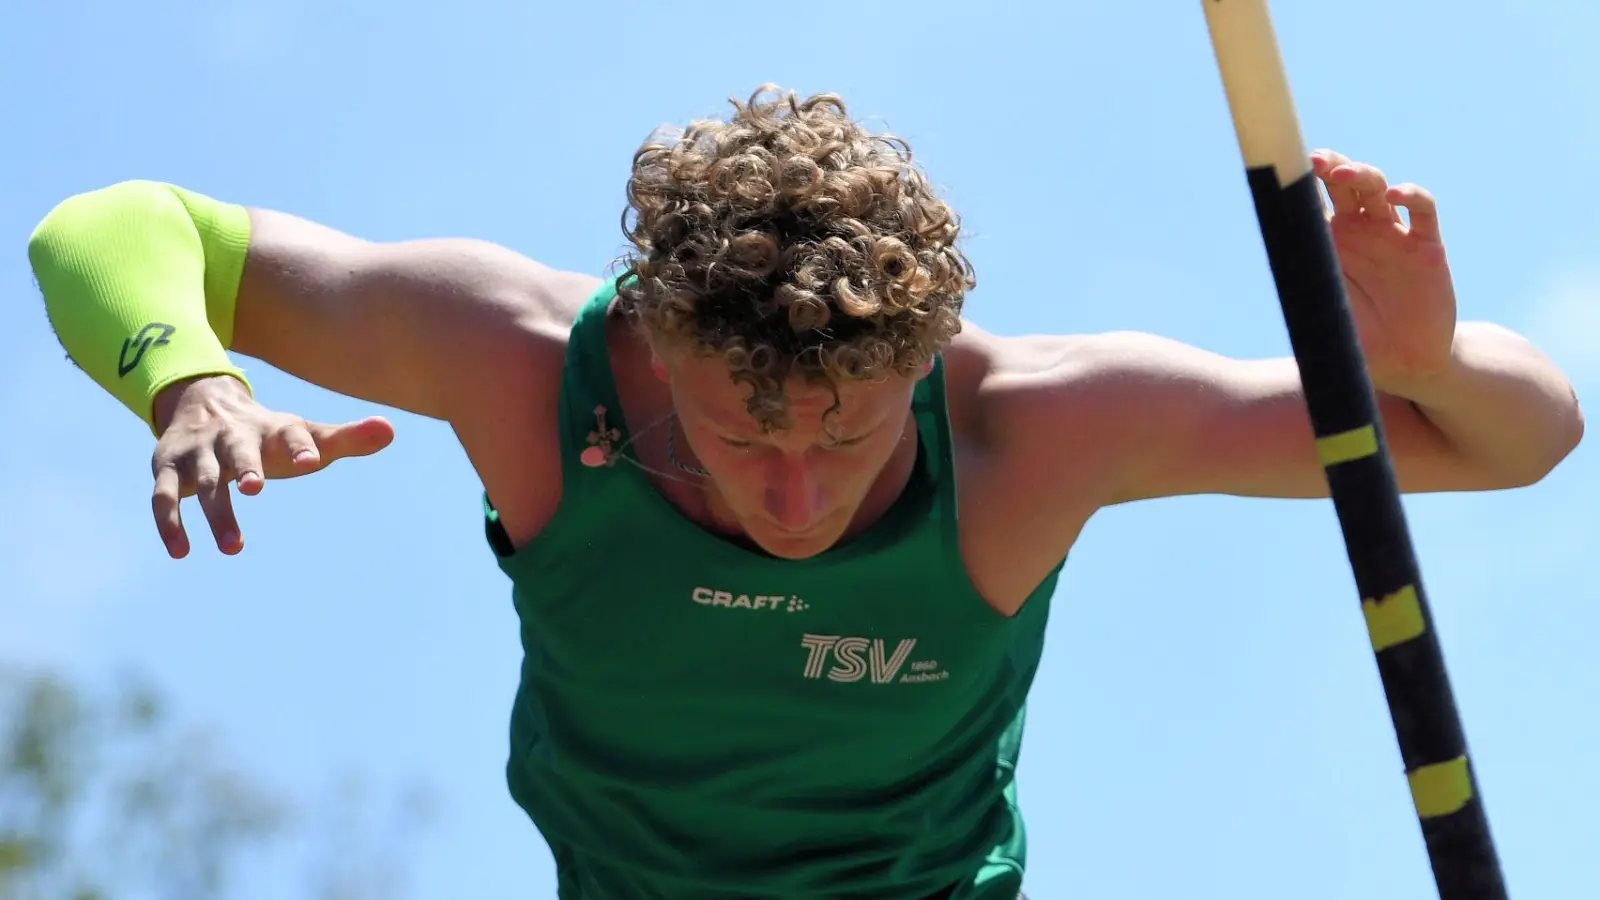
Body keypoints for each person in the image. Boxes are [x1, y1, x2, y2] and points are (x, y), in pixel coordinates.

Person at [27, 85, 1582, 899]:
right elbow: (114, 220)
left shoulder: (1040, 430)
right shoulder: (520, 362)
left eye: (844, 438)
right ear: (654, 345)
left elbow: (1519, 435)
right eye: (733, 431)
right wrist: (190, 377)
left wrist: (1432, 349)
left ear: (924, 362)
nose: (791, 492)